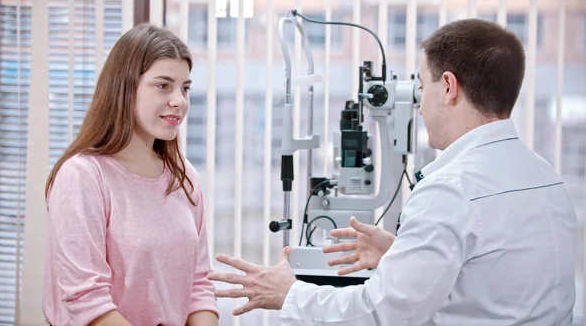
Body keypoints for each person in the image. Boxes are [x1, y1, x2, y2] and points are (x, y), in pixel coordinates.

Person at [207, 18, 578, 325]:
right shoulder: (545, 176)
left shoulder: (450, 190)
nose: (418, 105)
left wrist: (289, 293)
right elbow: (493, 280)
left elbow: (382, 313)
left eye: (421, 85)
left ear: (448, 87)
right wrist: (403, 253)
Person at [43, 24, 219, 326]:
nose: (180, 100)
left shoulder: (184, 177)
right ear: (124, 88)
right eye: (163, 85)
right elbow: (87, 301)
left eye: (185, 88)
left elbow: (198, 286)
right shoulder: (83, 175)